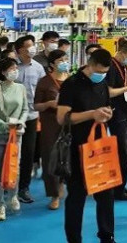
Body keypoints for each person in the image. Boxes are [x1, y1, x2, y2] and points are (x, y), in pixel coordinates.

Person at [57, 48, 115, 243]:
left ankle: (107, 236)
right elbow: (62, 117)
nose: (101, 75)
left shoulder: (102, 84)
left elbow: (105, 107)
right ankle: (74, 239)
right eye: (99, 71)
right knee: (77, 196)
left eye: (105, 72)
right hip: (77, 147)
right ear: (90, 65)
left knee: (106, 195)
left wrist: (107, 113)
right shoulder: (71, 85)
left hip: (100, 147)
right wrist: (92, 114)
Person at [0, 56, 27, 221]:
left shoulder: (21, 88)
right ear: (3, 72)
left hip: (16, 134)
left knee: (14, 167)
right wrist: (4, 124)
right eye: (11, 69)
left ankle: (13, 196)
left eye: (16, 68)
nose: (15, 71)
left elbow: (25, 109)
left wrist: (20, 122)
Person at [35, 49, 71, 210]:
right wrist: (49, 104)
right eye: (60, 61)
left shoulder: (71, 80)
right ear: (52, 64)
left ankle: (62, 182)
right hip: (50, 124)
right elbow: (36, 105)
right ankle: (54, 194)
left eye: (66, 59)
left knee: (67, 155)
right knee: (50, 157)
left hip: (69, 123)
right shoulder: (44, 82)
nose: (64, 63)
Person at [14, 35, 46, 204]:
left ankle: (23, 188)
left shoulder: (38, 68)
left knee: (28, 152)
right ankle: (6, 184)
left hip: (31, 116)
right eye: (28, 46)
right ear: (20, 50)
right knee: (10, 152)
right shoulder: (12, 67)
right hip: (12, 117)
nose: (32, 49)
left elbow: (42, 91)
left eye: (32, 46)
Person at [106, 40, 127, 201]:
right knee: (121, 153)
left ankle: (121, 185)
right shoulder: (111, 67)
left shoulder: (125, 67)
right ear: (122, 53)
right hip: (117, 114)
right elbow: (109, 92)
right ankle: (117, 190)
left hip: (126, 113)